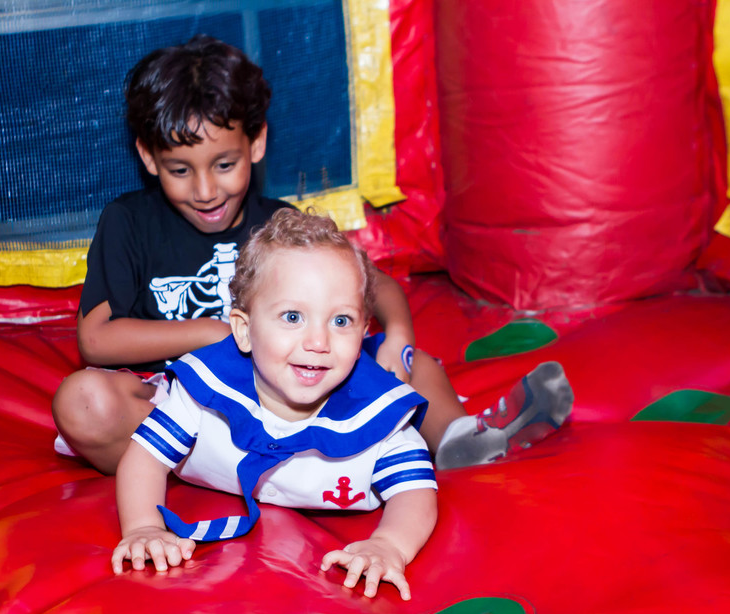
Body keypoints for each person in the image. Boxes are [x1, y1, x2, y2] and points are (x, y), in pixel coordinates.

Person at [52, 34, 575, 477]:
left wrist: (398, 336)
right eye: (181, 170)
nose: (206, 190)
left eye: (224, 164)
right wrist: (216, 334)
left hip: (293, 400)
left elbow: (375, 285)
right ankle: (265, 471)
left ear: (256, 143)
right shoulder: (129, 221)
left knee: (409, 366)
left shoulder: (282, 227)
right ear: (148, 157)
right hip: (188, 413)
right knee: (84, 402)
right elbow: (97, 338)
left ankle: (458, 439)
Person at [113, 209, 438, 600]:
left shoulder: (376, 418)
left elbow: (415, 492)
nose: (318, 341)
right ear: (245, 331)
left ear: (364, 329)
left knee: (424, 369)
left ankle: (457, 433)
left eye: (341, 321)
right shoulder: (207, 391)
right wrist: (143, 527)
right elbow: (145, 456)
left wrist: (390, 545)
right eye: (292, 316)